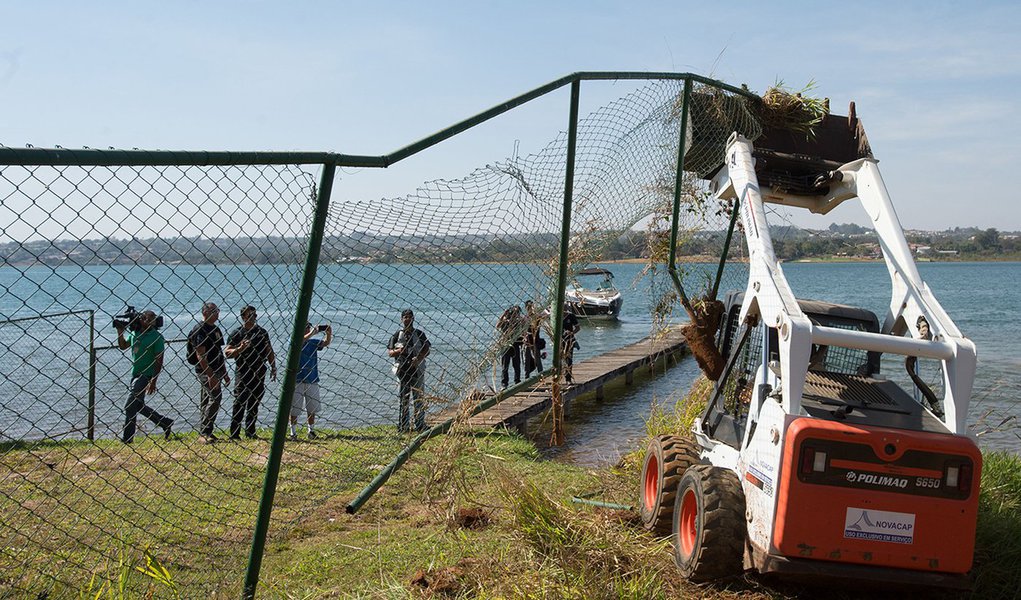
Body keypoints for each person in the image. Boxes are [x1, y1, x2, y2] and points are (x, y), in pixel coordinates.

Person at [116, 310, 173, 443]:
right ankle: (164, 422)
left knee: (129, 405)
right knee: (138, 406)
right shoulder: (135, 333)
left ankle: (127, 438)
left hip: (146, 375)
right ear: (141, 320)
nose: (150, 322)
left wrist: (153, 380)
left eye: (152, 320)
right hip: (135, 374)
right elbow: (123, 346)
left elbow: (159, 361)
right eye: (147, 319)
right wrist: (120, 332)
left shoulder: (157, 337)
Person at [225, 305, 277, 440]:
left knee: (254, 402)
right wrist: (240, 349)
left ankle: (250, 431)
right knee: (239, 402)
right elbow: (227, 353)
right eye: (250, 315)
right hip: (243, 371)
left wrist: (273, 367)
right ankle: (234, 434)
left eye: (255, 315)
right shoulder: (237, 333)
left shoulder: (262, 332)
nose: (253, 318)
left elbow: (269, 350)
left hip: (259, 371)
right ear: (243, 317)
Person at [189, 302, 230, 444]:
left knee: (206, 400)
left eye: (217, 311)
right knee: (215, 398)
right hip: (206, 370)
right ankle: (205, 432)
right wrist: (211, 375)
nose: (217, 313)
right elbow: (200, 355)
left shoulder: (216, 329)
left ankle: (207, 431)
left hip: (218, 367)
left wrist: (224, 372)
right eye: (214, 311)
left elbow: (219, 351)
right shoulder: (199, 329)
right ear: (205, 312)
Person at [387, 309, 431, 432]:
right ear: (401, 319)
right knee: (403, 399)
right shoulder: (397, 335)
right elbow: (390, 352)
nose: (407, 319)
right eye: (405, 317)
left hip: (417, 369)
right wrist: (399, 351)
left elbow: (427, 349)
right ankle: (404, 426)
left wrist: (419, 357)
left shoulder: (420, 334)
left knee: (418, 398)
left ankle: (420, 424)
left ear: (413, 319)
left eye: (409, 317)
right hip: (402, 370)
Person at [291, 322, 331, 440]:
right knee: (295, 408)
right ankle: (293, 432)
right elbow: (300, 341)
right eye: (305, 327)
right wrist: (313, 332)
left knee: (312, 407)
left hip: (312, 378)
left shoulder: (313, 342)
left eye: (308, 327)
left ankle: (311, 430)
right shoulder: (294, 341)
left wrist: (328, 333)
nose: (308, 329)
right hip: (297, 379)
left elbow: (325, 343)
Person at [496, 305, 523, 388]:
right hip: (506, 345)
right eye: (514, 313)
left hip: (515, 344)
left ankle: (517, 381)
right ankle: (504, 383)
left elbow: (525, 321)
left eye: (517, 313)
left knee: (517, 364)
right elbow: (498, 325)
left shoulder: (519, 322)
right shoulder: (505, 322)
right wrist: (504, 315)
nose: (515, 315)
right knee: (505, 365)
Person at [523, 300, 546, 378]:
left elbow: (544, 316)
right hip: (527, 341)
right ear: (526, 308)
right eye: (529, 307)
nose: (530, 308)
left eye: (531, 307)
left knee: (537, 359)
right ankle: (527, 377)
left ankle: (541, 375)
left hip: (535, 340)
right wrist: (524, 338)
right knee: (527, 360)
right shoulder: (525, 318)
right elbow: (522, 331)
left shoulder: (536, 317)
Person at [561, 304, 581, 384]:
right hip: (559, 341)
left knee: (568, 359)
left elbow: (578, 328)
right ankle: (557, 378)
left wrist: (571, 333)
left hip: (569, 341)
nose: (564, 310)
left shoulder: (571, 316)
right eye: (563, 308)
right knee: (558, 360)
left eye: (565, 308)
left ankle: (568, 379)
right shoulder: (557, 316)